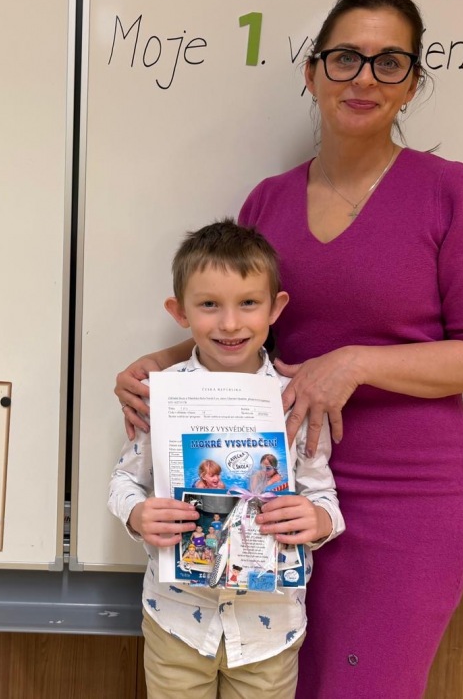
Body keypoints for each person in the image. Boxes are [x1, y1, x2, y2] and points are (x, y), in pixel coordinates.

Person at [114, 0, 463, 698]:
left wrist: (355, 364)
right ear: (312, 73)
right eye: (345, 58)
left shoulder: (452, 195)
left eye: (389, 62)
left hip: (406, 500)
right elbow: (250, 333)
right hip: (264, 495)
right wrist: (162, 363)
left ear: (412, 84)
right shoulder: (268, 201)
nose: (364, 78)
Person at [109, 219, 344, 699]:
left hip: (269, 634)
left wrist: (317, 520)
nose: (230, 323)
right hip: (176, 623)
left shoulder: (295, 400)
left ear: (276, 308)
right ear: (179, 312)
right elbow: (123, 482)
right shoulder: (158, 395)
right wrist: (137, 514)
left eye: (249, 303)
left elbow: (324, 496)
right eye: (209, 305)